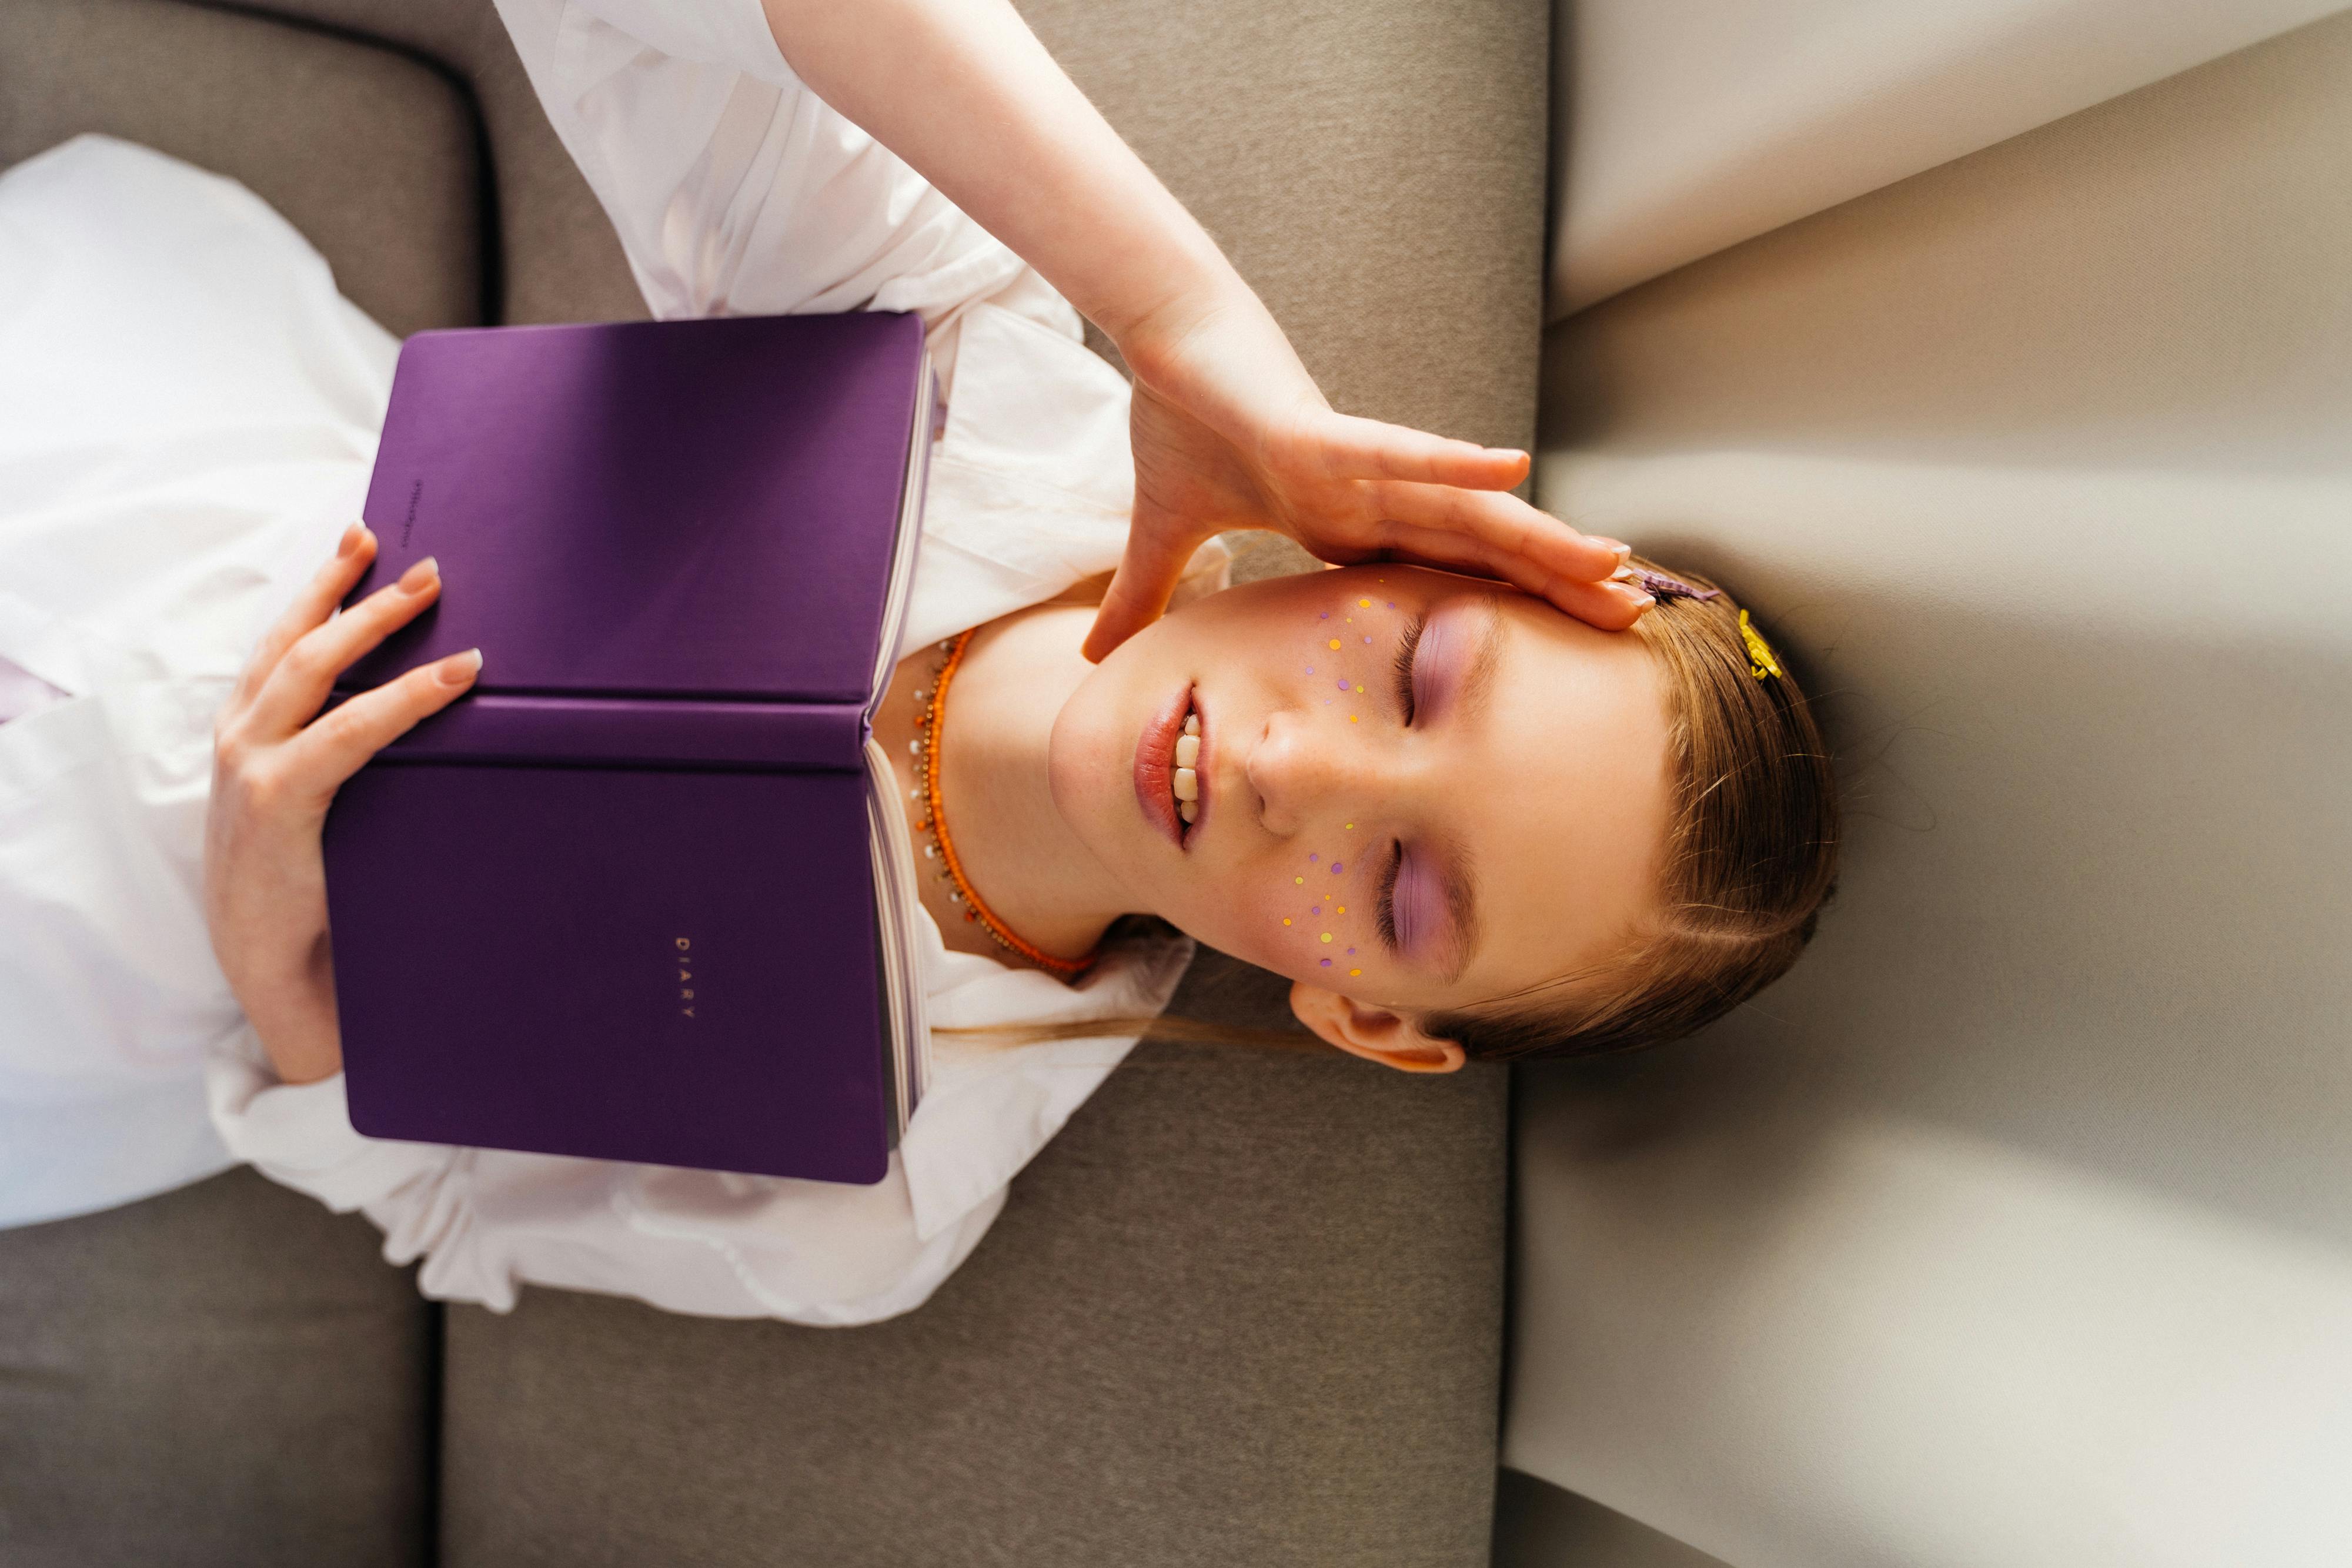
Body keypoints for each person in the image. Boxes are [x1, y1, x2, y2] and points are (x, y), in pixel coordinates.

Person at [0, 0, 1836, 1323]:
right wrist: (1186, 320)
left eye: (1415, 886)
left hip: (76, 965)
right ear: (1403, 551)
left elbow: (448, 1200)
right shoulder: (971, 379)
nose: (1307, 773)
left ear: (1374, 1016)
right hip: (119, 461)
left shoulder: (881, 1178)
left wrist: (281, 952)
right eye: (1422, 677)